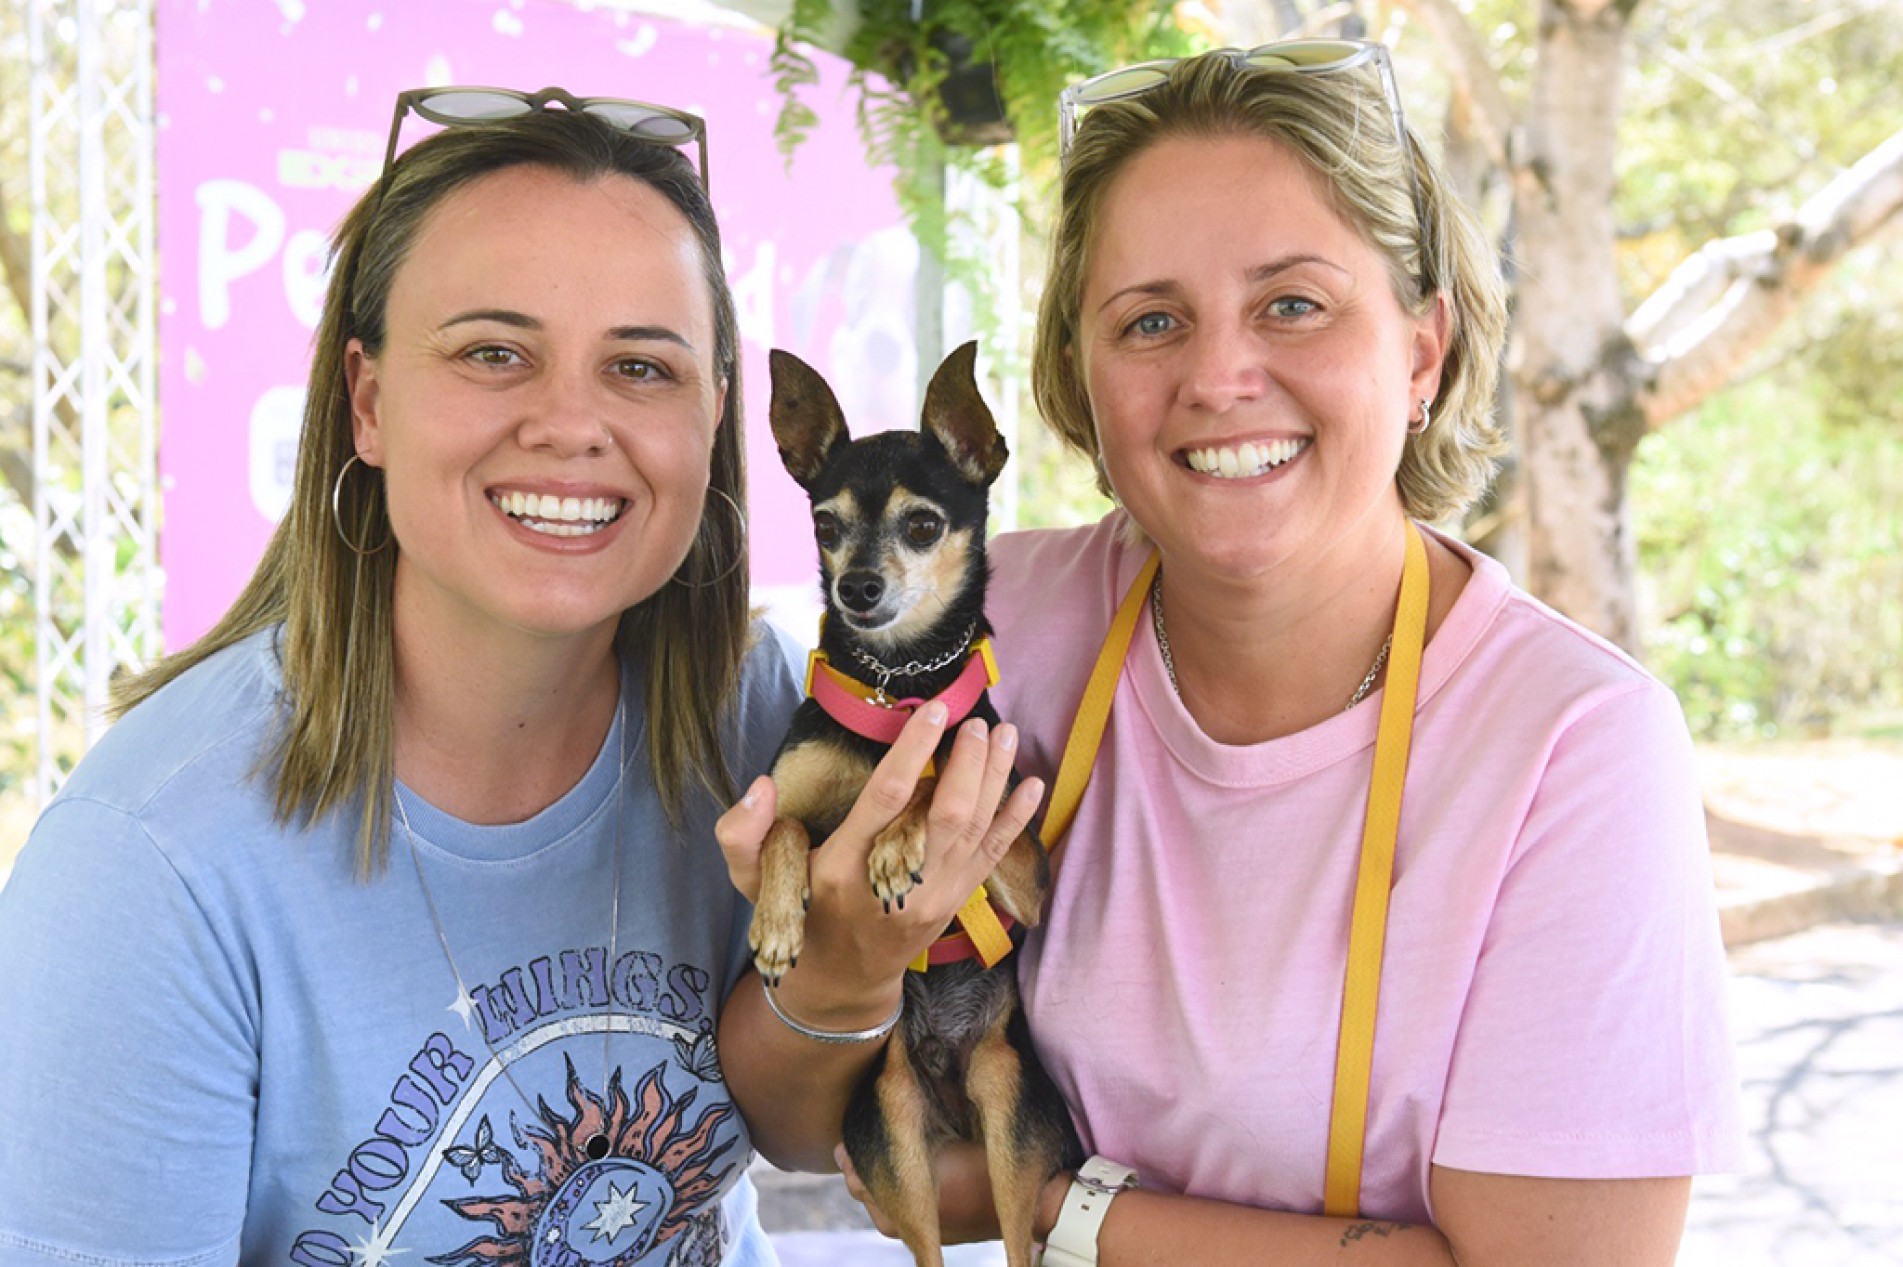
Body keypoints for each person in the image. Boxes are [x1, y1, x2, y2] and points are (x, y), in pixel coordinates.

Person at [717, 41, 1741, 1265]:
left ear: (1421, 352)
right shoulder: (995, 634)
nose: (1217, 376)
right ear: (1080, 382)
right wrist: (839, 967)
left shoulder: (1570, 747)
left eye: (1292, 304)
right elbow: (789, 1123)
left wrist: (1054, 1205)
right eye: (1150, 320)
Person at [0, 87, 1032, 1266]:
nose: (568, 423)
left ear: (713, 424)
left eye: (641, 368)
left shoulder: (751, 713)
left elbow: (794, 1133)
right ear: (370, 402)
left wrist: (854, 970)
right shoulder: (149, 862)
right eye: (495, 353)